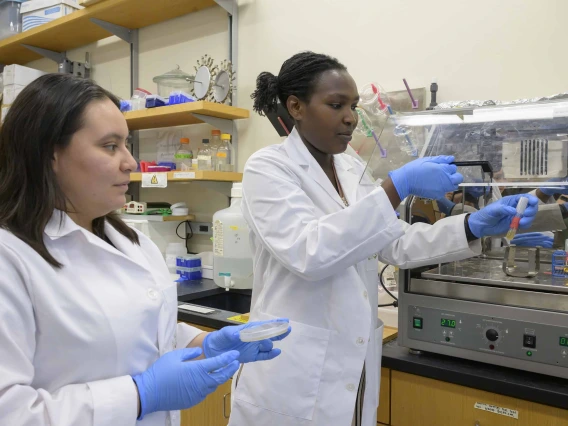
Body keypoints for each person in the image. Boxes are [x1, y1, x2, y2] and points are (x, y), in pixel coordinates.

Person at [228, 52, 538, 426]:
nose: (350, 117)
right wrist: (396, 186)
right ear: (296, 106)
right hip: (290, 375)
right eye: (336, 104)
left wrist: (471, 227)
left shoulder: (350, 166)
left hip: (350, 366)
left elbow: (394, 243)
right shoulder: (268, 168)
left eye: (353, 106)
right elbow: (309, 253)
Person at [0, 74, 290, 426]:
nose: (130, 163)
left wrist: (205, 343)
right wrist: (141, 393)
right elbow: (10, 412)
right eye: (110, 146)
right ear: (50, 154)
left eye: (127, 145)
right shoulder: (10, 257)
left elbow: (145, 329)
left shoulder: (131, 241)